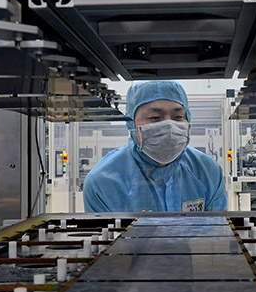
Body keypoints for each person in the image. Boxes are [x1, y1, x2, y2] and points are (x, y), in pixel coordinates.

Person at [83, 80, 227, 212]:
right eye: (154, 118)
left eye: (178, 117)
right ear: (131, 124)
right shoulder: (103, 183)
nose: (169, 126)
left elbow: (219, 233)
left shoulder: (208, 172)